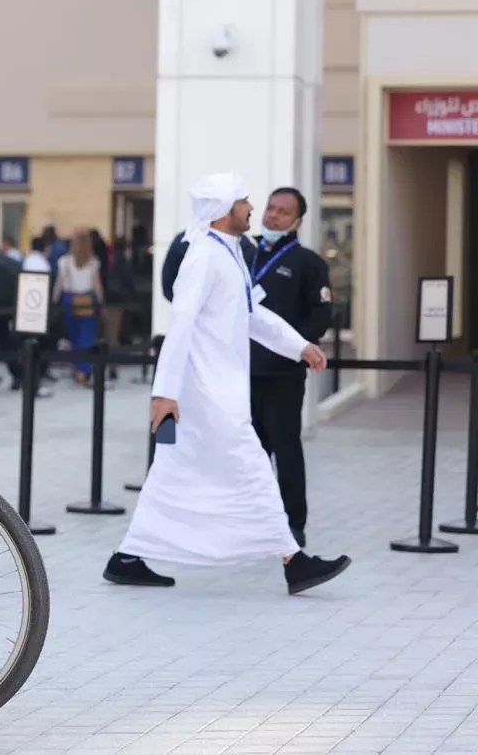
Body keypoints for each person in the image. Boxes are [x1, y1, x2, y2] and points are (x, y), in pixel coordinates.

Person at [102, 172, 351, 595]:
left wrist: (300, 346)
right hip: (207, 394)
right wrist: (164, 393)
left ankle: (127, 558)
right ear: (224, 209)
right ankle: (295, 561)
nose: (253, 208)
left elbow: (253, 312)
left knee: (171, 473)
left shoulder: (227, 252)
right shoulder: (202, 257)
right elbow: (178, 325)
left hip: (217, 390)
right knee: (252, 466)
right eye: (245, 201)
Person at [248, 187, 333, 548]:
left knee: (285, 447)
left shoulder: (309, 264)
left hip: (282, 375)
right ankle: (250, 520)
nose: (272, 216)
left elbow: (321, 314)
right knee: (249, 453)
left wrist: (297, 347)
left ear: (297, 221)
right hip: (241, 373)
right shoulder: (243, 253)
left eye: (283, 212)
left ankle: (293, 523)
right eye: (270, 208)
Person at [51, 229, 105, 386]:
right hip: (87, 301)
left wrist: (54, 301)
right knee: (86, 337)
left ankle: (77, 368)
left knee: (73, 337)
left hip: (69, 300)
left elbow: (59, 284)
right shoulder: (93, 262)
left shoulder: (64, 262)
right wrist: (101, 303)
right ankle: (84, 370)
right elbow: (97, 286)